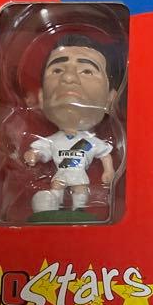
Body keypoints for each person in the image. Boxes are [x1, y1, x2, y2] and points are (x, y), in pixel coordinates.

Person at [23, 36, 116, 215]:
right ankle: (53, 208)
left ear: (110, 100)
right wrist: (33, 154)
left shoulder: (91, 141)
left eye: (87, 71)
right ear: (41, 99)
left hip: (79, 174)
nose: (68, 77)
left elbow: (105, 154)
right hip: (61, 173)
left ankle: (78, 209)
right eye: (57, 70)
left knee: (80, 190)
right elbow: (42, 149)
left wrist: (109, 171)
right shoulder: (53, 140)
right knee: (56, 187)